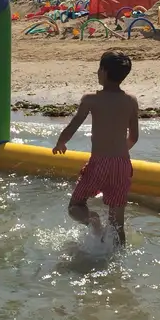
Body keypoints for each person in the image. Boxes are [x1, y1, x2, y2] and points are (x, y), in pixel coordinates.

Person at [52, 50, 141, 243]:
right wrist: (118, 151)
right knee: (117, 223)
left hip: (99, 163)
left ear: (104, 71)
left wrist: (61, 142)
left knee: (75, 206)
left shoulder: (91, 99)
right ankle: (117, 261)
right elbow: (134, 137)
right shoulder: (131, 101)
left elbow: (73, 126)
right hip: (122, 164)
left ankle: (93, 221)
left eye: (99, 68)